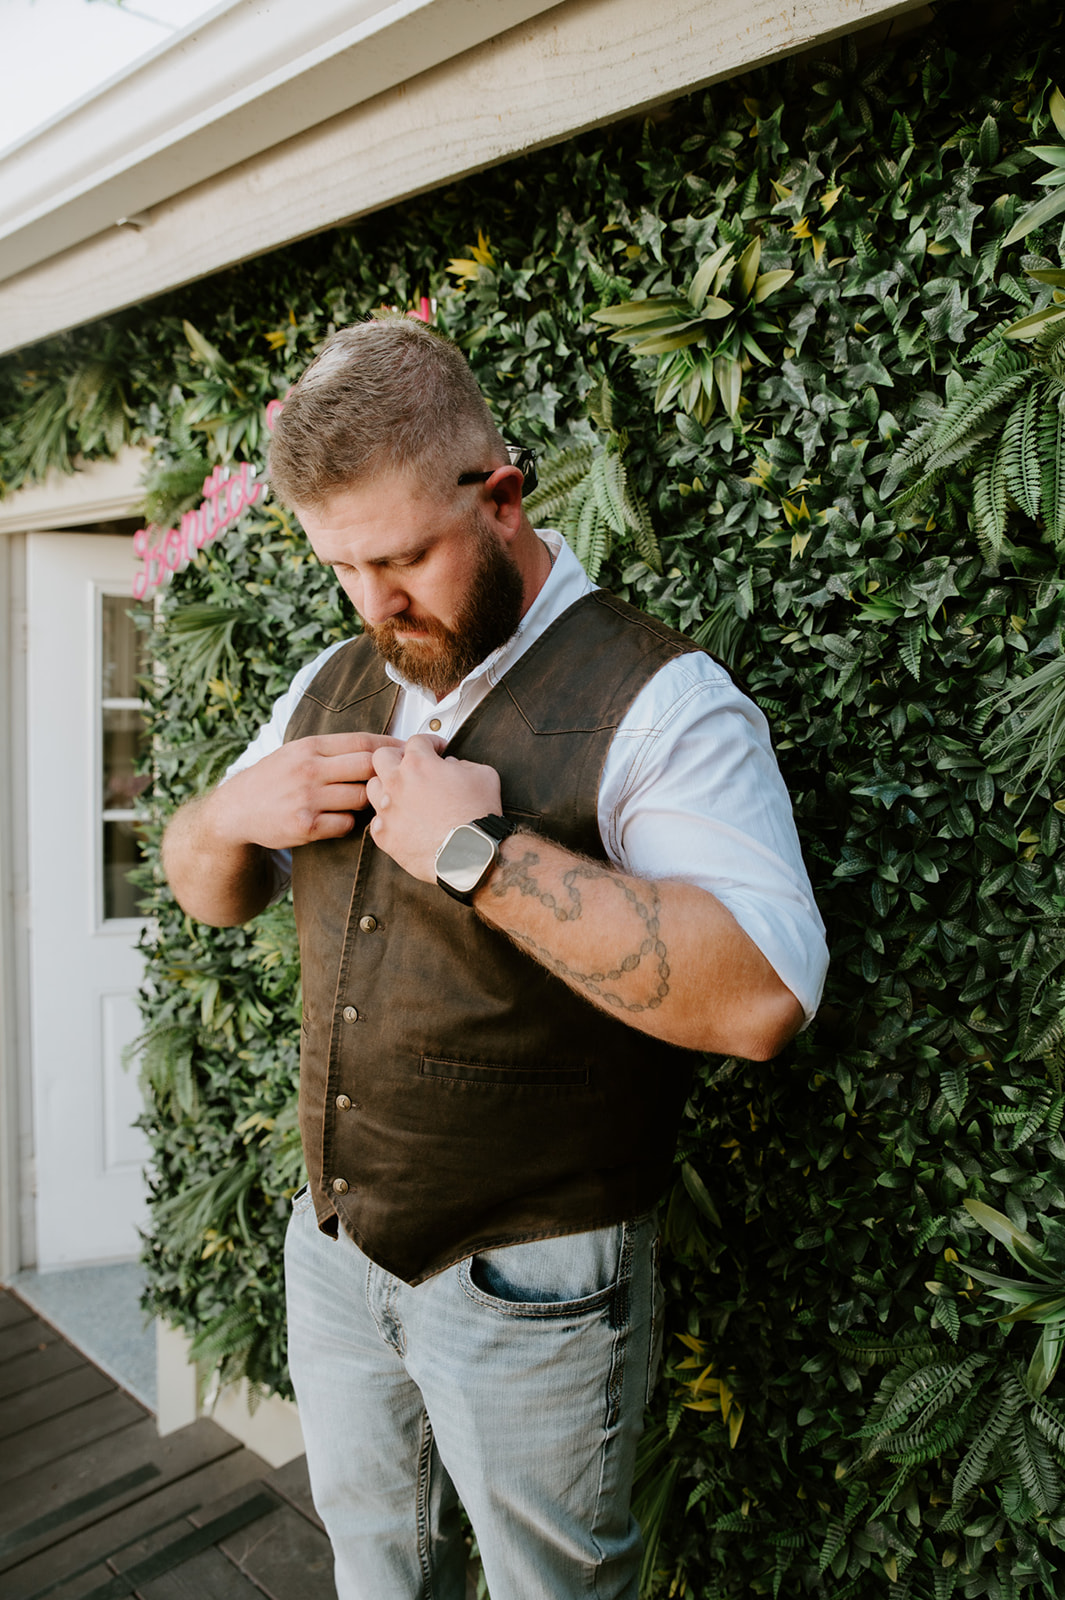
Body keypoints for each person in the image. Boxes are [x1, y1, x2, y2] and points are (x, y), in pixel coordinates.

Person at [161, 316, 828, 1600]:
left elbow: (762, 996)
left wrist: (478, 852)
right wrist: (221, 816)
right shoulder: (330, 675)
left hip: (538, 1286)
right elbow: (207, 890)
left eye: (403, 557)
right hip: (339, 1250)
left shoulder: (663, 703)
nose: (373, 604)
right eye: (340, 567)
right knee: (373, 1565)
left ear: (504, 495)